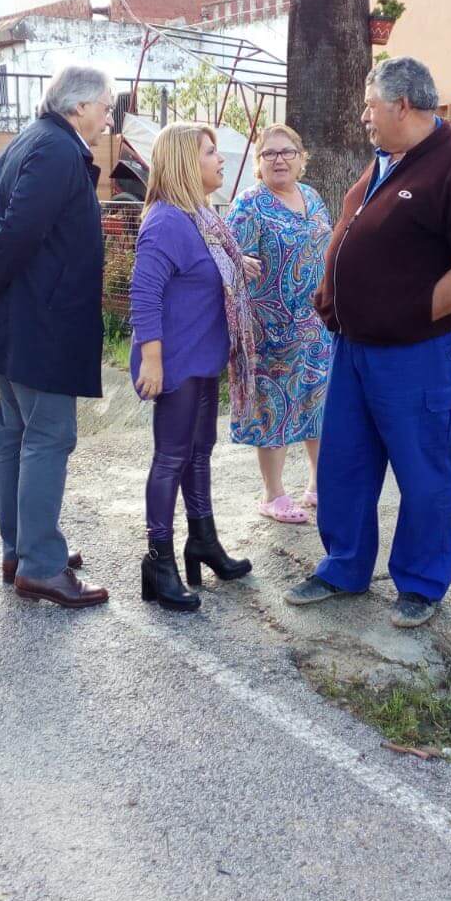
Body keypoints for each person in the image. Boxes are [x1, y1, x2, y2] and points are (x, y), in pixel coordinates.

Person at [284, 57, 451, 629]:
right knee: (346, 463)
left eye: (370, 105)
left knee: (422, 469)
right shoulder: (385, 163)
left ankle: (421, 583)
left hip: (417, 352)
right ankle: (344, 566)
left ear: (402, 105)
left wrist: (414, 311)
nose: (364, 116)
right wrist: (333, 288)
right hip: (356, 347)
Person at [0, 66, 106, 608]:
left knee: (15, 432)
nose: (109, 116)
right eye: (106, 106)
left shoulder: (27, 141)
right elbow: (16, 231)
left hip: (16, 324)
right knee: (47, 438)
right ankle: (40, 564)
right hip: (42, 325)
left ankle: (21, 548)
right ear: (78, 106)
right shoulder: (57, 150)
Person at [130, 123, 259, 611]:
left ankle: (201, 541)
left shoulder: (200, 217)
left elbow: (204, 266)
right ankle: (157, 560)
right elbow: (144, 295)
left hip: (203, 355)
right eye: (210, 152)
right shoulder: (166, 221)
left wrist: (235, 264)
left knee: (199, 450)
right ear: (187, 162)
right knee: (172, 457)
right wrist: (153, 360)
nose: (220, 159)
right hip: (176, 361)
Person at [225, 124, 332, 524]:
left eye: (287, 152)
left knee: (318, 406)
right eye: (269, 154)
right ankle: (273, 494)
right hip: (270, 332)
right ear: (258, 163)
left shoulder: (312, 197)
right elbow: (228, 261)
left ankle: (319, 484)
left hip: (317, 326)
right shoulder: (249, 205)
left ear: (302, 158)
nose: (279, 159)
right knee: (275, 410)